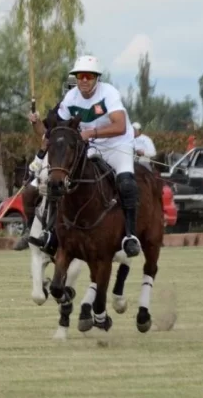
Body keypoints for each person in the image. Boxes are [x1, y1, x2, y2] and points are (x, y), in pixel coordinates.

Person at [48, 54, 141, 258]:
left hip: (118, 145)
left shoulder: (109, 94)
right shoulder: (71, 97)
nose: (83, 80)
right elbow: (60, 127)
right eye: (80, 76)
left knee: (126, 184)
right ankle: (53, 233)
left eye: (88, 76)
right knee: (63, 179)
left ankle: (130, 236)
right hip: (91, 147)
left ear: (96, 78)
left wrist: (91, 133)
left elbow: (120, 125)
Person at [13, 74, 78, 251]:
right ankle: (30, 230)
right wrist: (35, 122)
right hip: (58, 160)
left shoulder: (93, 106)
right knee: (29, 192)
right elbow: (44, 132)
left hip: (81, 157)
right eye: (71, 88)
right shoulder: (61, 109)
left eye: (75, 88)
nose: (73, 92)